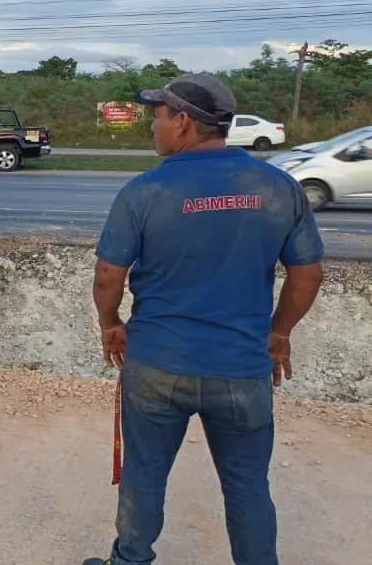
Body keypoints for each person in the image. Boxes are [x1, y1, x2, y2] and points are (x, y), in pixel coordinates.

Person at [83, 73, 325, 565]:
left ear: (184, 122)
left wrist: (110, 323)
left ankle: (129, 559)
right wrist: (279, 333)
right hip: (242, 366)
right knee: (247, 484)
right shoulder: (278, 187)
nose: (153, 127)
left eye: (158, 117)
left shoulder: (145, 190)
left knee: (145, 471)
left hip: (157, 364)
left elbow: (109, 274)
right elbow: (308, 275)